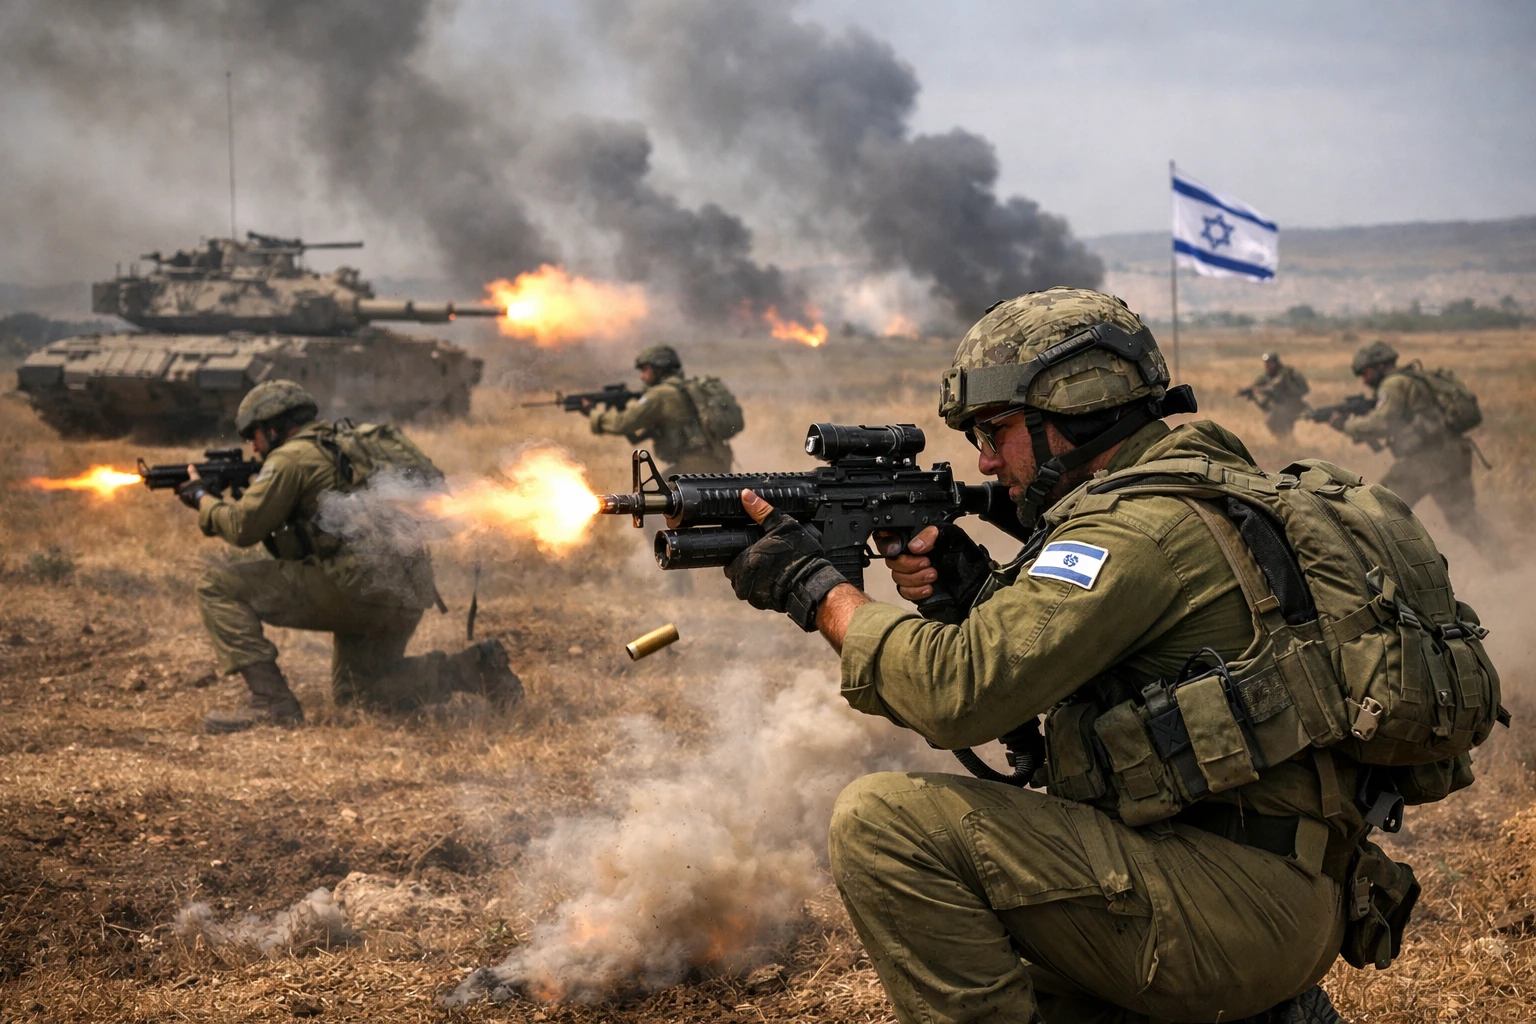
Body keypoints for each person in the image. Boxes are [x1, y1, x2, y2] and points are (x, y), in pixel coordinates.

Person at [722, 289, 1361, 1023]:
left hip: (1231, 915)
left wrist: (818, 589)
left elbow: (958, 697)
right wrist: (972, 592)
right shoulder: (1199, 490)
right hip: (1282, 892)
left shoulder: (1135, 531)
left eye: (997, 431)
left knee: (882, 821)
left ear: (1078, 411)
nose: (986, 461)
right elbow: (1084, 666)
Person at [180, 380, 522, 734]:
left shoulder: (291, 458)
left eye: (254, 434)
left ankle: (271, 702)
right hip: (407, 589)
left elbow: (241, 527)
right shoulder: (352, 444)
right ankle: (474, 668)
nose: (252, 445)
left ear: (276, 426)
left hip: (357, 588)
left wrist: (202, 497)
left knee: (217, 585)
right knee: (362, 695)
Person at [1329, 339, 1494, 553]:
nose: (1364, 380)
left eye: (1365, 372)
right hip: (1452, 455)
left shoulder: (1394, 384)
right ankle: (1506, 564)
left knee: (1376, 510)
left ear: (1379, 365)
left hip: (1426, 461)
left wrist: (1345, 425)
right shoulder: (1411, 379)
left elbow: (1381, 423)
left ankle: (1372, 570)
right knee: (1464, 520)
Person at [587, 344, 735, 475]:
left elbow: (623, 423)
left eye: (645, 370)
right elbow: (637, 434)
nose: (642, 376)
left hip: (694, 466)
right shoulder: (683, 388)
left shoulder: (660, 394)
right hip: (717, 461)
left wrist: (591, 413)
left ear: (659, 369)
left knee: (651, 497)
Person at [1239, 351, 1309, 439]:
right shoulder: (1268, 375)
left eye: (1269, 363)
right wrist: (1247, 390)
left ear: (1275, 363)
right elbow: (1257, 384)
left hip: (1291, 405)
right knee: (1280, 427)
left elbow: (1273, 387)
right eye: (1265, 363)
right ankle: (1287, 444)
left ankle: (1287, 443)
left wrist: (1257, 389)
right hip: (1281, 406)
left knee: (1272, 421)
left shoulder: (1283, 374)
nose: (1267, 365)